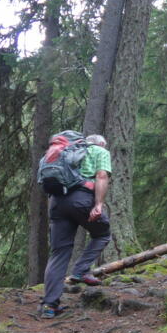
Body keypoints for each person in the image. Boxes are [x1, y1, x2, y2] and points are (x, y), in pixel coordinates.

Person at [41, 134, 112, 319]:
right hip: (81, 199)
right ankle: (80, 270)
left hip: (57, 203)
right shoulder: (99, 151)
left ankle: (49, 306)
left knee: (59, 253)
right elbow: (102, 176)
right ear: (101, 143)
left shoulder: (62, 153)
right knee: (102, 234)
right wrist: (98, 204)